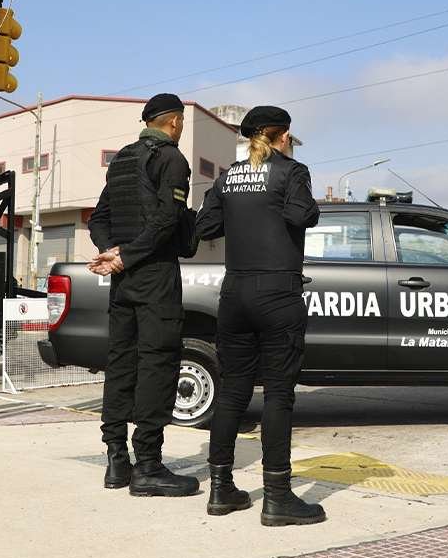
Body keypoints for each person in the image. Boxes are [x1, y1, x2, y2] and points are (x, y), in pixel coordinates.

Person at [196, 105, 325, 526]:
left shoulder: (229, 175)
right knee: (278, 396)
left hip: (234, 294)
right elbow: (301, 215)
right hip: (277, 293)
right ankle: (278, 497)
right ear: (282, 136)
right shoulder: (292, 171)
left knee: (232, 392)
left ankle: (221, 490)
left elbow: (205, 227)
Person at [87, 93, 198, 498]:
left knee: (121, 362)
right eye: (181, 123)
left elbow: (99, 218)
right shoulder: (172, 159)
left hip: (124, 279)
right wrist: (128, 254)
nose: (180, 129)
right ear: (173, 123)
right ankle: (148, 466)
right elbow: (169, 220)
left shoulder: (121, 160)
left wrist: (113, 253)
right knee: (157, 363)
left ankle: (117, 459)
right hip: (154, 276)